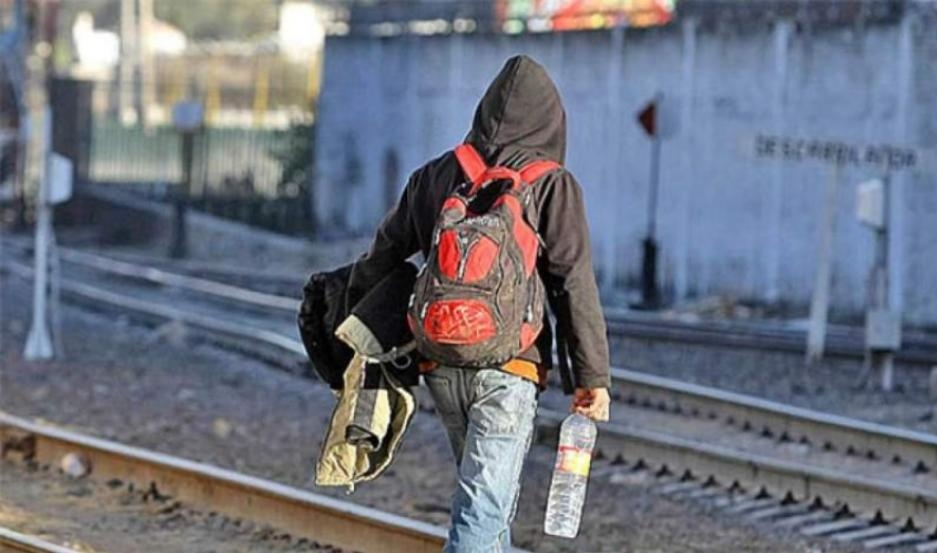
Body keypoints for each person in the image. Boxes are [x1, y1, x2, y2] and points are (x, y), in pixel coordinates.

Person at [345, 54, 611, 552]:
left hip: (441, 362)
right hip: (511, 366)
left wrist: (349, 318)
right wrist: (591, 377)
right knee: (482, 510)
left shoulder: (437, 175)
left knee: (489, 510)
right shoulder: (552, 184)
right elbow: (573, 282)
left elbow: (383, 255)